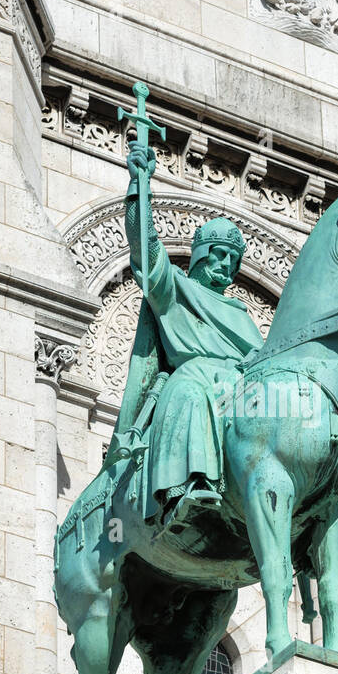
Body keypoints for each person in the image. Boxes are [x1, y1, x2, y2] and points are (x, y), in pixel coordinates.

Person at [117, 139, 265, 525]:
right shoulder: (176, 289)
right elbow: (144, 250)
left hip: (243, 388)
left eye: (232, 261)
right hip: (196, 381)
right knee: (192, 386)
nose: (226, 267)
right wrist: (139, 186)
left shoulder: (242, 314)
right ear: (201, 254)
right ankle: (187, 486)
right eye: (218, 255)